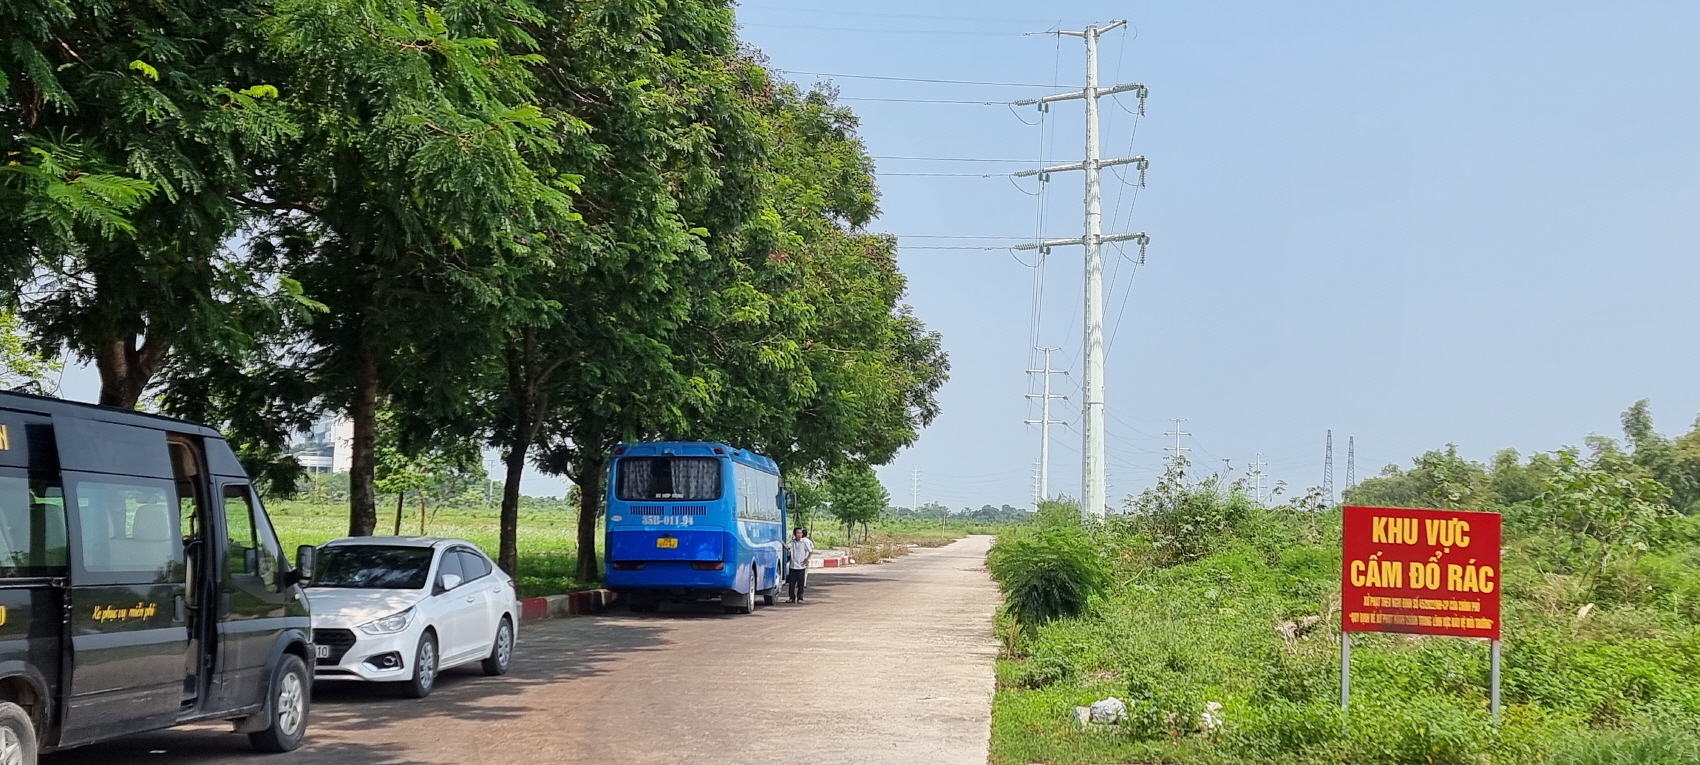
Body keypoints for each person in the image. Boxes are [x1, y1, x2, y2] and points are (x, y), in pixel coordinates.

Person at [786, 527, 814, 603]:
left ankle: (800, 598)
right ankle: (791, 597)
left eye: (800, 533)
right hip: (793, 566)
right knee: (791, 584)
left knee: (801, 584)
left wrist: (807, 559)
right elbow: (787, 547)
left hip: (801, 566)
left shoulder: (804, 543)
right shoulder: (792, 542)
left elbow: (811, 551)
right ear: (794, 534)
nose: (799, 535)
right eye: (797, 533)